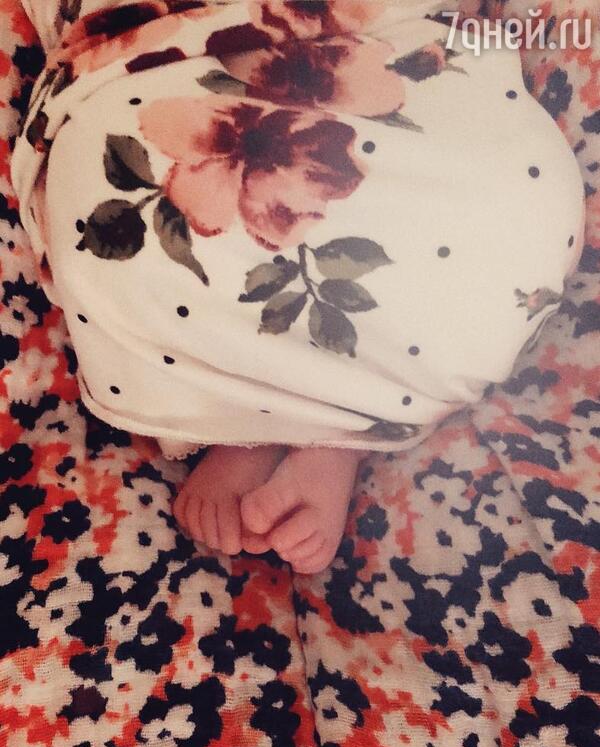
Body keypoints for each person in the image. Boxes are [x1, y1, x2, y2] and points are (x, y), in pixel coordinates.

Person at [11, 0, 585, 572]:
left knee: (519, 203)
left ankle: (335, 430)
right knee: (112, 180)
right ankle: (257, 422)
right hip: (180, 51)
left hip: (385, 40)